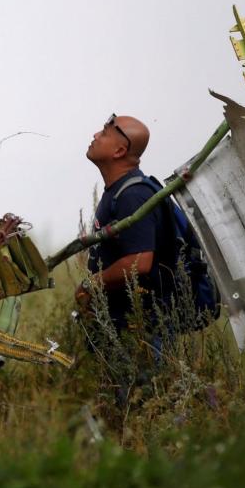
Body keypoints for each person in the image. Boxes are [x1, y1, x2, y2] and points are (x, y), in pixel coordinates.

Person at [74, 113, 173, 332]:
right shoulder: (118, 191)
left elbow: (140, 261)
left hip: (141, 329)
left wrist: (90, 285)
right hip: (121, 323)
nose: (95, 135)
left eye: (104, 133)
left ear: (119, 151)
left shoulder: (133, 195)